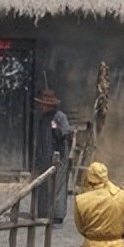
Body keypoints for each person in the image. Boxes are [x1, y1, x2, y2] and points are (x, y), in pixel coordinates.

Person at [33, 89, 73, 223]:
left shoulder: (60, 117)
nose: (41, 107)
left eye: (43, 104)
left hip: (58, 158)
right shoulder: (42, 119)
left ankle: (57, 215)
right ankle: (43, 213)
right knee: (43, 185)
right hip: (44, 156)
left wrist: (56, 128)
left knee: (58, 186)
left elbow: (66, 133)